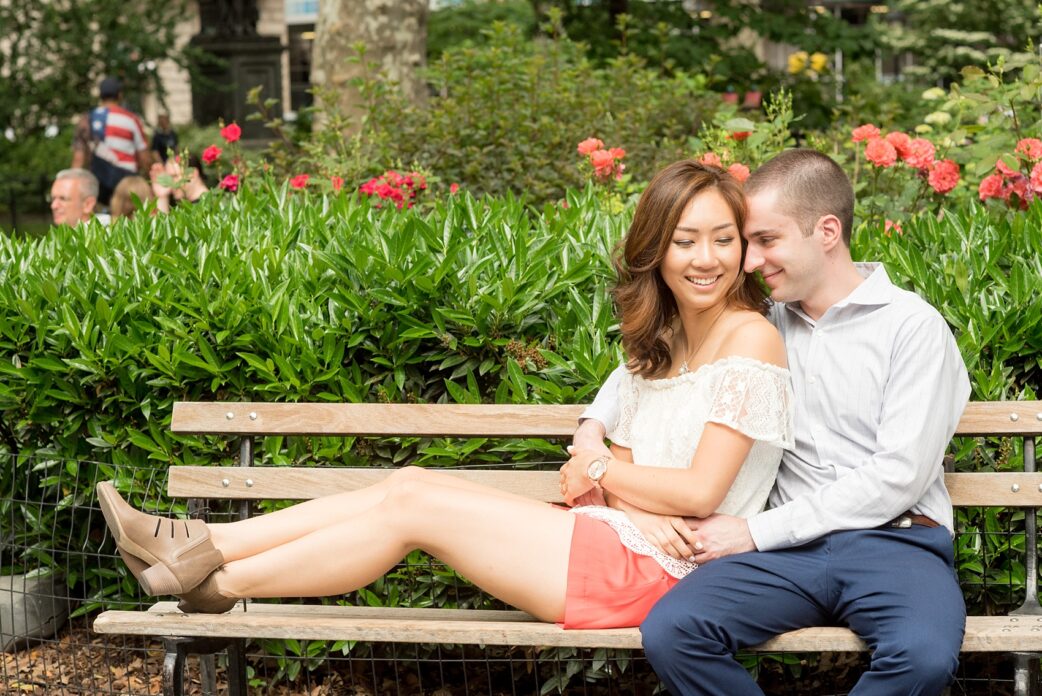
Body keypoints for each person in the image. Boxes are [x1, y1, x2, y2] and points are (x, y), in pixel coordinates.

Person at [96, 160, 794, 625]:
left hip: (669, 579)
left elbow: (700, 493)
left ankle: (206, 564)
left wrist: (602, 467)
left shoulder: (751, 338)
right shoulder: (661, 347)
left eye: (722, 240)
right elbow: (626, 488)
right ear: (656, 252)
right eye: (685, 241)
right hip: (621, 542)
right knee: (409, 487)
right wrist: (615, 482)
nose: (706, 259)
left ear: (743, 249)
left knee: (413, 502)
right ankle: (203, 558)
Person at [575, 149, 971, 695]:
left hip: (893, 544)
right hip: (785, 557)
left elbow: (898, 475)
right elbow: (643, 371)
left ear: (826, 231)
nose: (750, 261)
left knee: (921, 657)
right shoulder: (761, 324)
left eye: (765, 241)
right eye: (749, 243)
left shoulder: (912, 329)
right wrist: (591, 427)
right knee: (674, 631)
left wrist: (755, 532)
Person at [71, 76, 150, 206]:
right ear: (120, 95)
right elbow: (144, 157)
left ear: (100, 96)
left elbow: (78, 160)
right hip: (126, 184)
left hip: (98, 184)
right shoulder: (132, 119)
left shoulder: (87, 120)